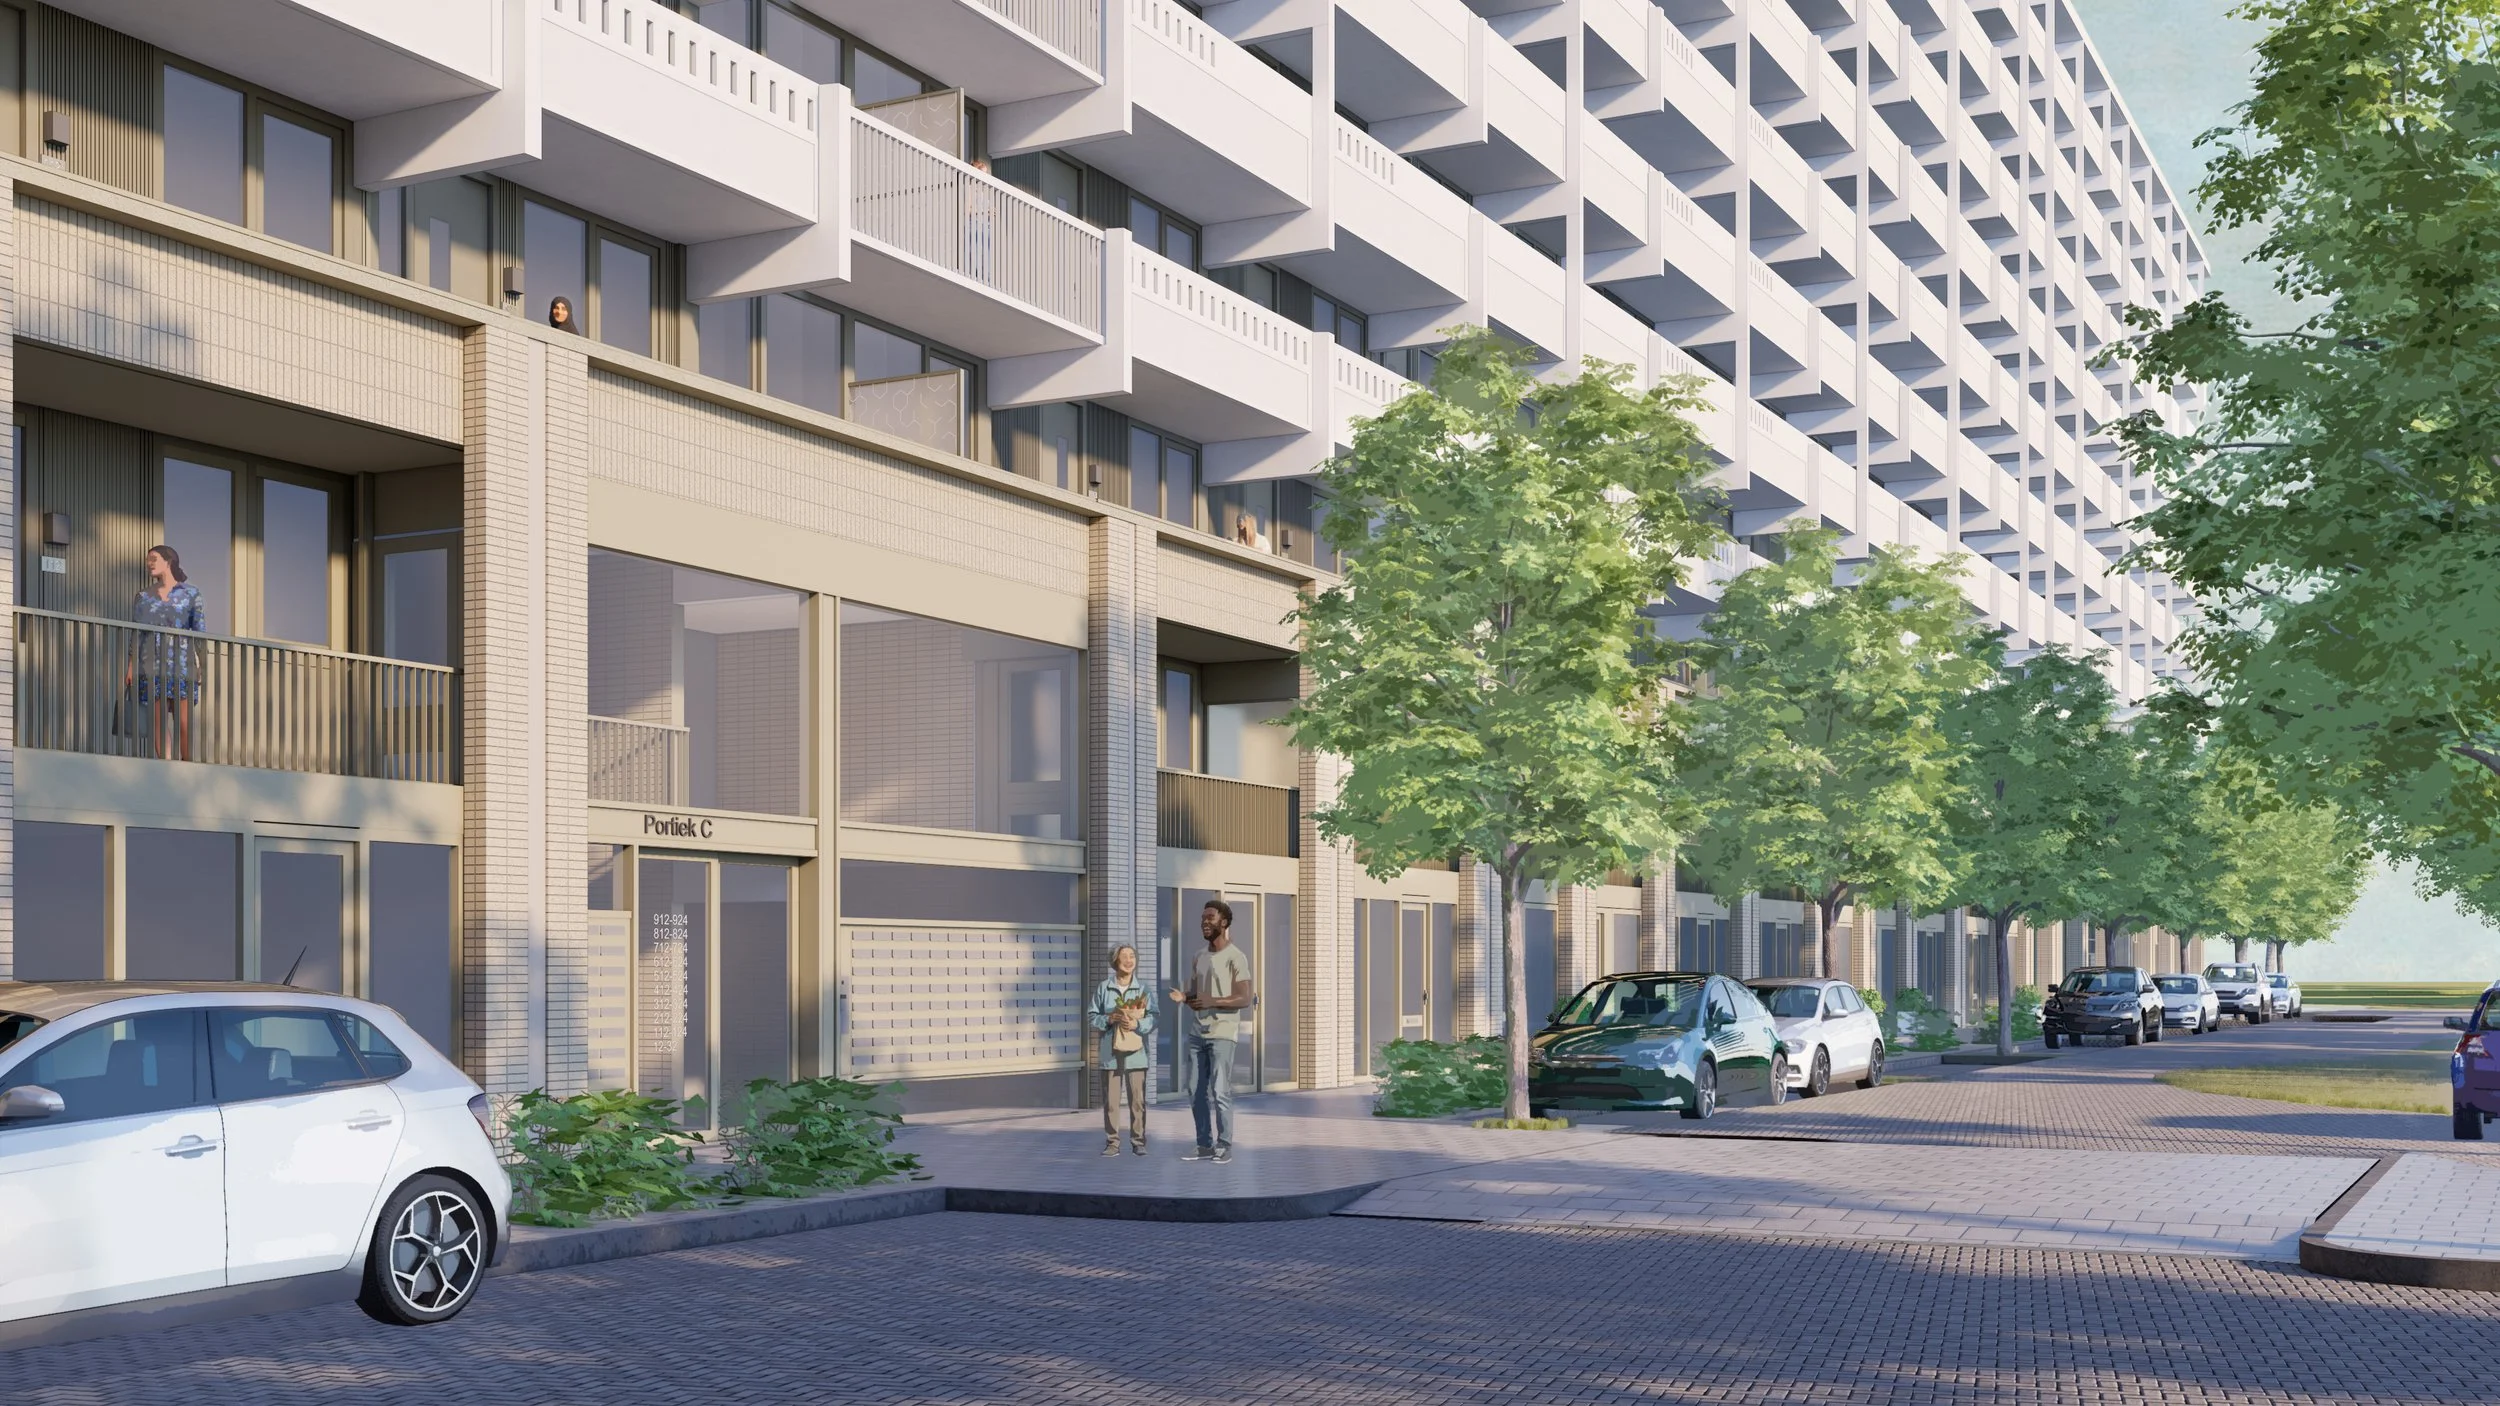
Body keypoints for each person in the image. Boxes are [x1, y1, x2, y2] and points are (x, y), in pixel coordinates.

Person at [1169, 899, 1253, 1162]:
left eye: (1210, 918)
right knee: (1195, 1090)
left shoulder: (1236, 957)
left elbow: (1245, 997)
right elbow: (1197, 992)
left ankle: (1224, 1144)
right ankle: (1204, 1145)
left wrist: (1213, 1001)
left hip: (1222, 1034)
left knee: (1220, 1090)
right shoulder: (1198, 956)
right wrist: (1185, 997)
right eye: (1203, 918)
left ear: (1224, 922)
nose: (1205, 922)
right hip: (1197, 1033)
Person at [127, 545, 206, 761]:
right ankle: (166, 764)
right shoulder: (143, 596)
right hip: (151, 663)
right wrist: (131, 666)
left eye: (154, 559)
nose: (149, 563)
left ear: (168, 561)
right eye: (147, 560)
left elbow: (199, 630)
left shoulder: (191, 594)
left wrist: (203, 664)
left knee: (183, 720)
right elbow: (136, 632)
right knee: (158, 719)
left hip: (182, 663)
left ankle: (188, 762)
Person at [1086, 944, 1156, 1156]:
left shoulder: (1143, 989)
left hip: (1136, 1052)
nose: (1129, 960)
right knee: (1111, 1102)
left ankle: (1138, 1141)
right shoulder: (1104, 988)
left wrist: (1138, 1025)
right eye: (1124, 956)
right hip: (1110, 1052)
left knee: (1138, 1101)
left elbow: (1154, 1016)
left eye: (1132, 956)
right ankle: (1112, 1142)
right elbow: (1091, 1016)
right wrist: (1108, 1018)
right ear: (1115, 961)